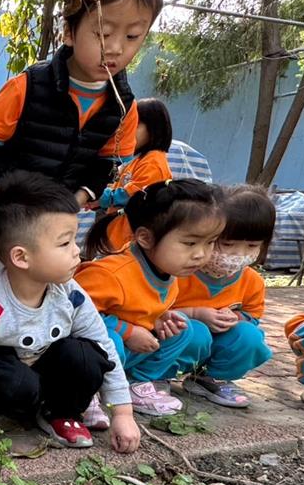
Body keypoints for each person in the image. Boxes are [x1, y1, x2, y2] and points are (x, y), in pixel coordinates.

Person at [0, 0, 164, 242]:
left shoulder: (123, 110)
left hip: (48, 238)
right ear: (70, 31)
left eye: (132, 36)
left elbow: (105, 168)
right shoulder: (27, 88)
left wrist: (73, 204)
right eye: (103, 33)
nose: (116, 48)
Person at [0, 171, 140, 453]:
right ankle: (3, 413)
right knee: (9, 379)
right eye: (64, 243)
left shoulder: (71, 293)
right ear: (21, 257)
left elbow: (103, 345)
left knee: (88, 356)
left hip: (51, 372)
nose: (77, 251)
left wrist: (123, 413)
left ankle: (60, 413)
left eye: (74, 240)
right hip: (13, 382)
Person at [78, 179, 224, 417]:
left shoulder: (168, 270)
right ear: (145, 238)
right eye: (190, 243)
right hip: (90, 354)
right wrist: (127, 331)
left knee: (183, 329)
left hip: (128, 351)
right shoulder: (110, 274)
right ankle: (88, 392)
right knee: (109, 341)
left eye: (210, 242)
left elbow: (136, 308)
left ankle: (136, 384)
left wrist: (157, 320)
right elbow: (71, 314)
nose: (200, 254)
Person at [171, 186, 275, 408]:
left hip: (220, 341)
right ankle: (157, 376)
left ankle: (212, 379)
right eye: (227, 244)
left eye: (252, 245)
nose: (238, 253)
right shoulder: (179, 272)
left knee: (250, 336)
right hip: (180, 337)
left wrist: (235, 318)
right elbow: (155, 311)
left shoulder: (252, 281)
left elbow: (252, 315)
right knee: (195, 332)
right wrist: (196, 314)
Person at [98, 97, 173, 251]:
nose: (127, 131)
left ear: (154, 128)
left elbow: (134, 196)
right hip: (115, 235)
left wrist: (103, 197)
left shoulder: (154, 162)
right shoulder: (138, 160)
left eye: (135, 125)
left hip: (127, 241)